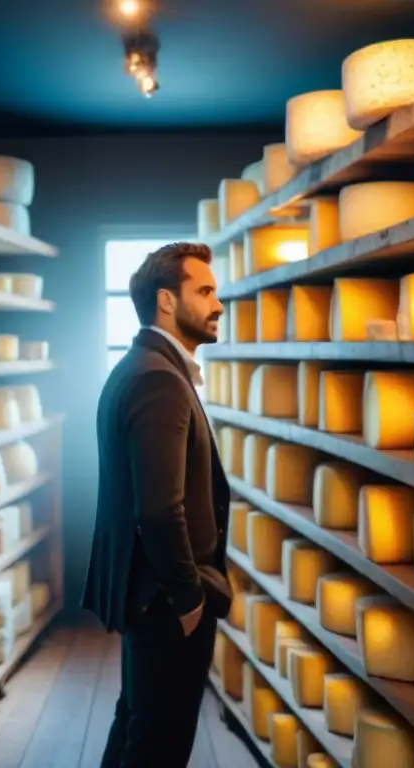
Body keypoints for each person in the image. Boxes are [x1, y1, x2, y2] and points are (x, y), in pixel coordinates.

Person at [82, 241, 233, 767]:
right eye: (206, 291)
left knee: (137, 730)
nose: (218, 304)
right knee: (158, 747)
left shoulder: (144, 366)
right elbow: (159, 509)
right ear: (167, 301)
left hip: (152, 596)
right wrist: (190, 600)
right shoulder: (158, 379)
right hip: (167, 602)